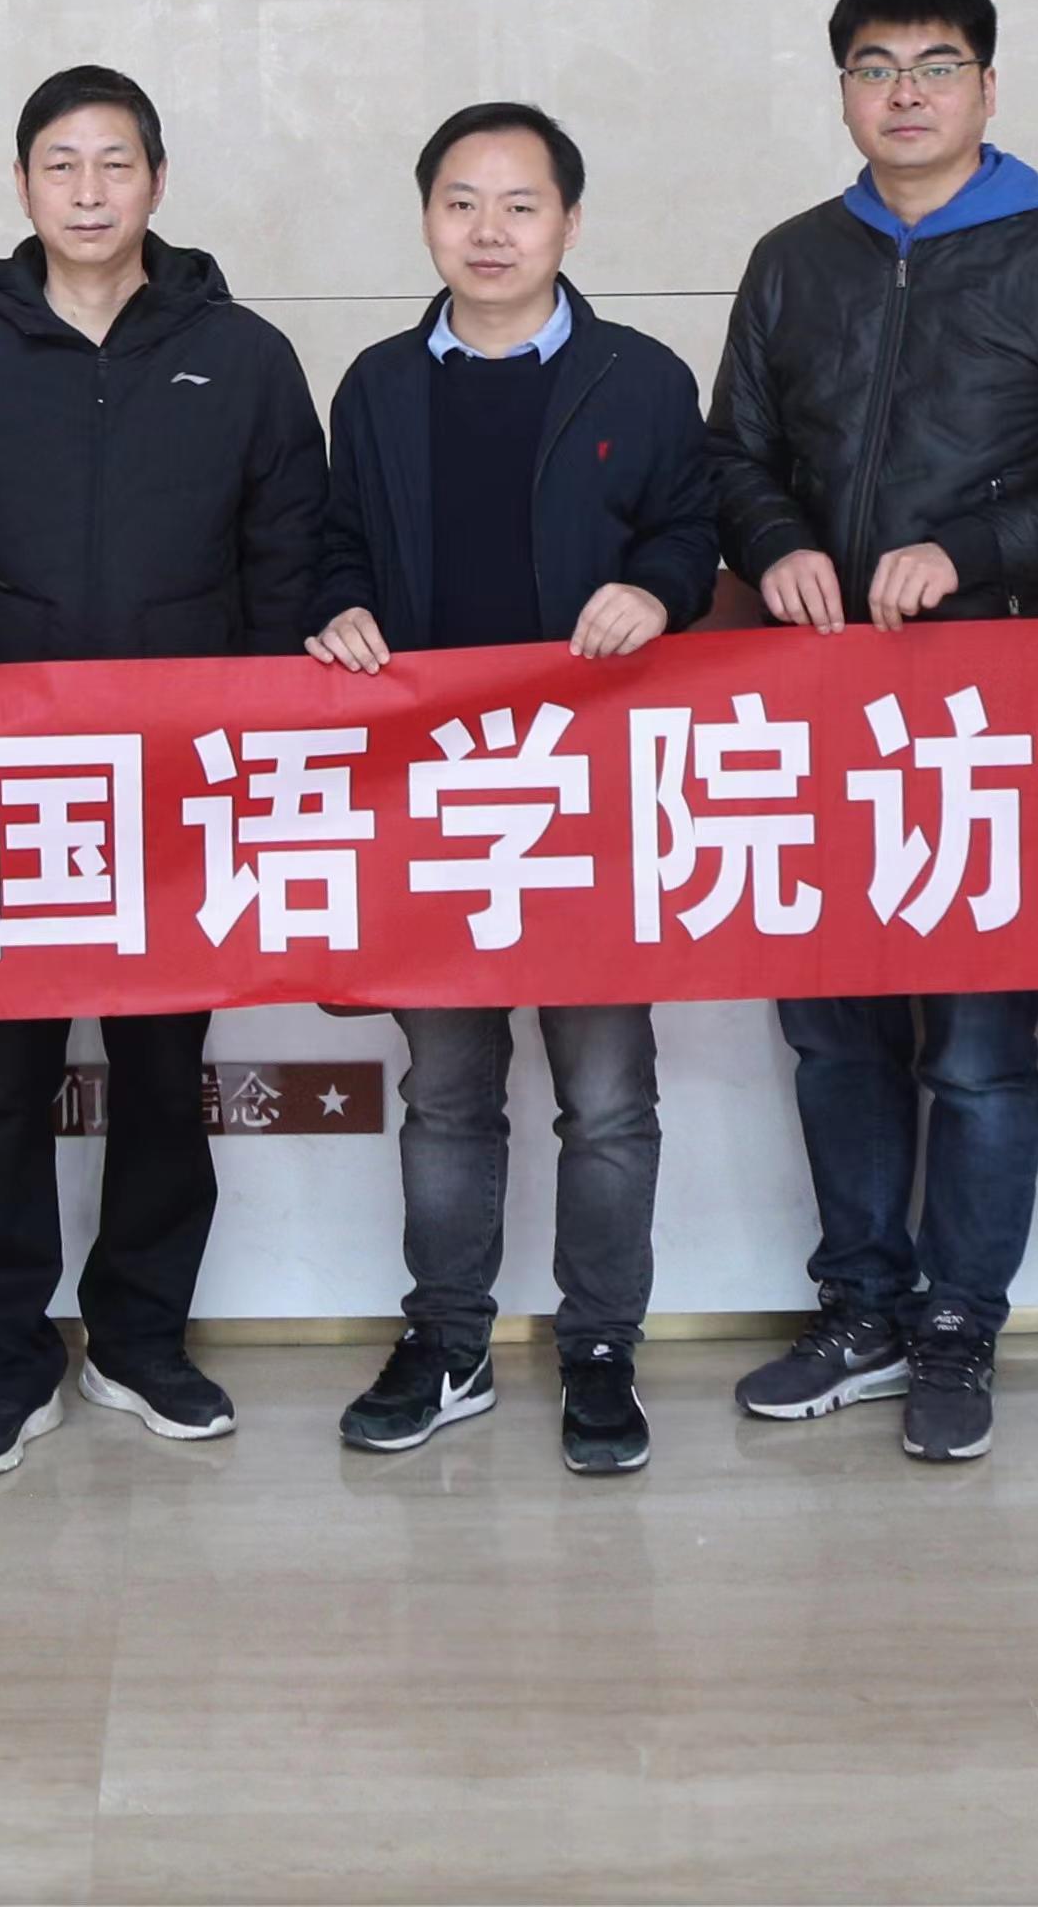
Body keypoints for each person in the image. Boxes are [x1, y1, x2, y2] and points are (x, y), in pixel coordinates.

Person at [703, 0, 1038, 1465]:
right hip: (819, 711)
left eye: (935, 68)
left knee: (978, 1044)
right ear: (842, 89)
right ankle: (859, 1308)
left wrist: (966, 551)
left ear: (986, 87)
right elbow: (733, 456)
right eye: (875, 68)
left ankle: (960, 1325)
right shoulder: (796, 260)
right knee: (833, 1031)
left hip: (993, 714)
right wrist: (777, 545)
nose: (903, 94)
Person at [0, 64, 328, 1476]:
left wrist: (257, 737)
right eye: (59, 165)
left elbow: (288, 552)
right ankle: (9, 1355)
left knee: (163, 1069)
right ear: (22, 186)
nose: (86, 191)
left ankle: (140, 1338)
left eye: (113, 164)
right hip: (5, 784)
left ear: (156, 183)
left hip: (183, 785)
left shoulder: (243, 357)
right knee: (1, 1074)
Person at [306, 100, 719, 1477]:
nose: (490, 231)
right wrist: (337, 607)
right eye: (462, 203)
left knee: (606, 1093)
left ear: (571, 223)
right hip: (432, 790)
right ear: (428, 218)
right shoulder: (376, 384)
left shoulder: (641, 378)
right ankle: (448, 1342)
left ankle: (601, 1350)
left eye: (521, 204)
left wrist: (656, 590)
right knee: (444, 1089)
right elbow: (334, 540)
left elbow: (692, 530)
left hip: (592, 792)